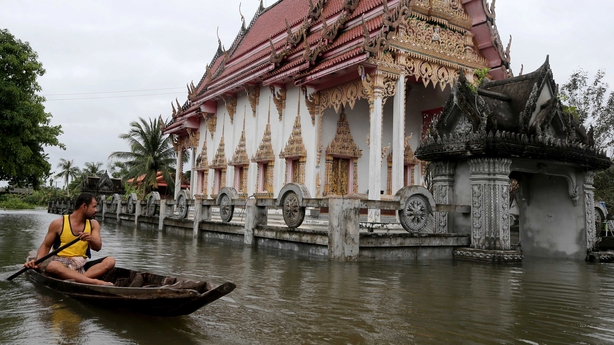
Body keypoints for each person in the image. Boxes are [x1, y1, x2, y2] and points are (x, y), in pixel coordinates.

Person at [23, 192, 115, 286]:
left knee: (110, 261)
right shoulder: (59, 223)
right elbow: (46, 246)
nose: (96, 210)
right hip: (61, 263)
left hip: (80, 265)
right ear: (84, 206)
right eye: (94, 206)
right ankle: (94, 282)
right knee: (53, 266)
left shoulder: (93, 224)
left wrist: (91, 239)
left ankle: (78, 280)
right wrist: (38, 262)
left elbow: (97, 247)